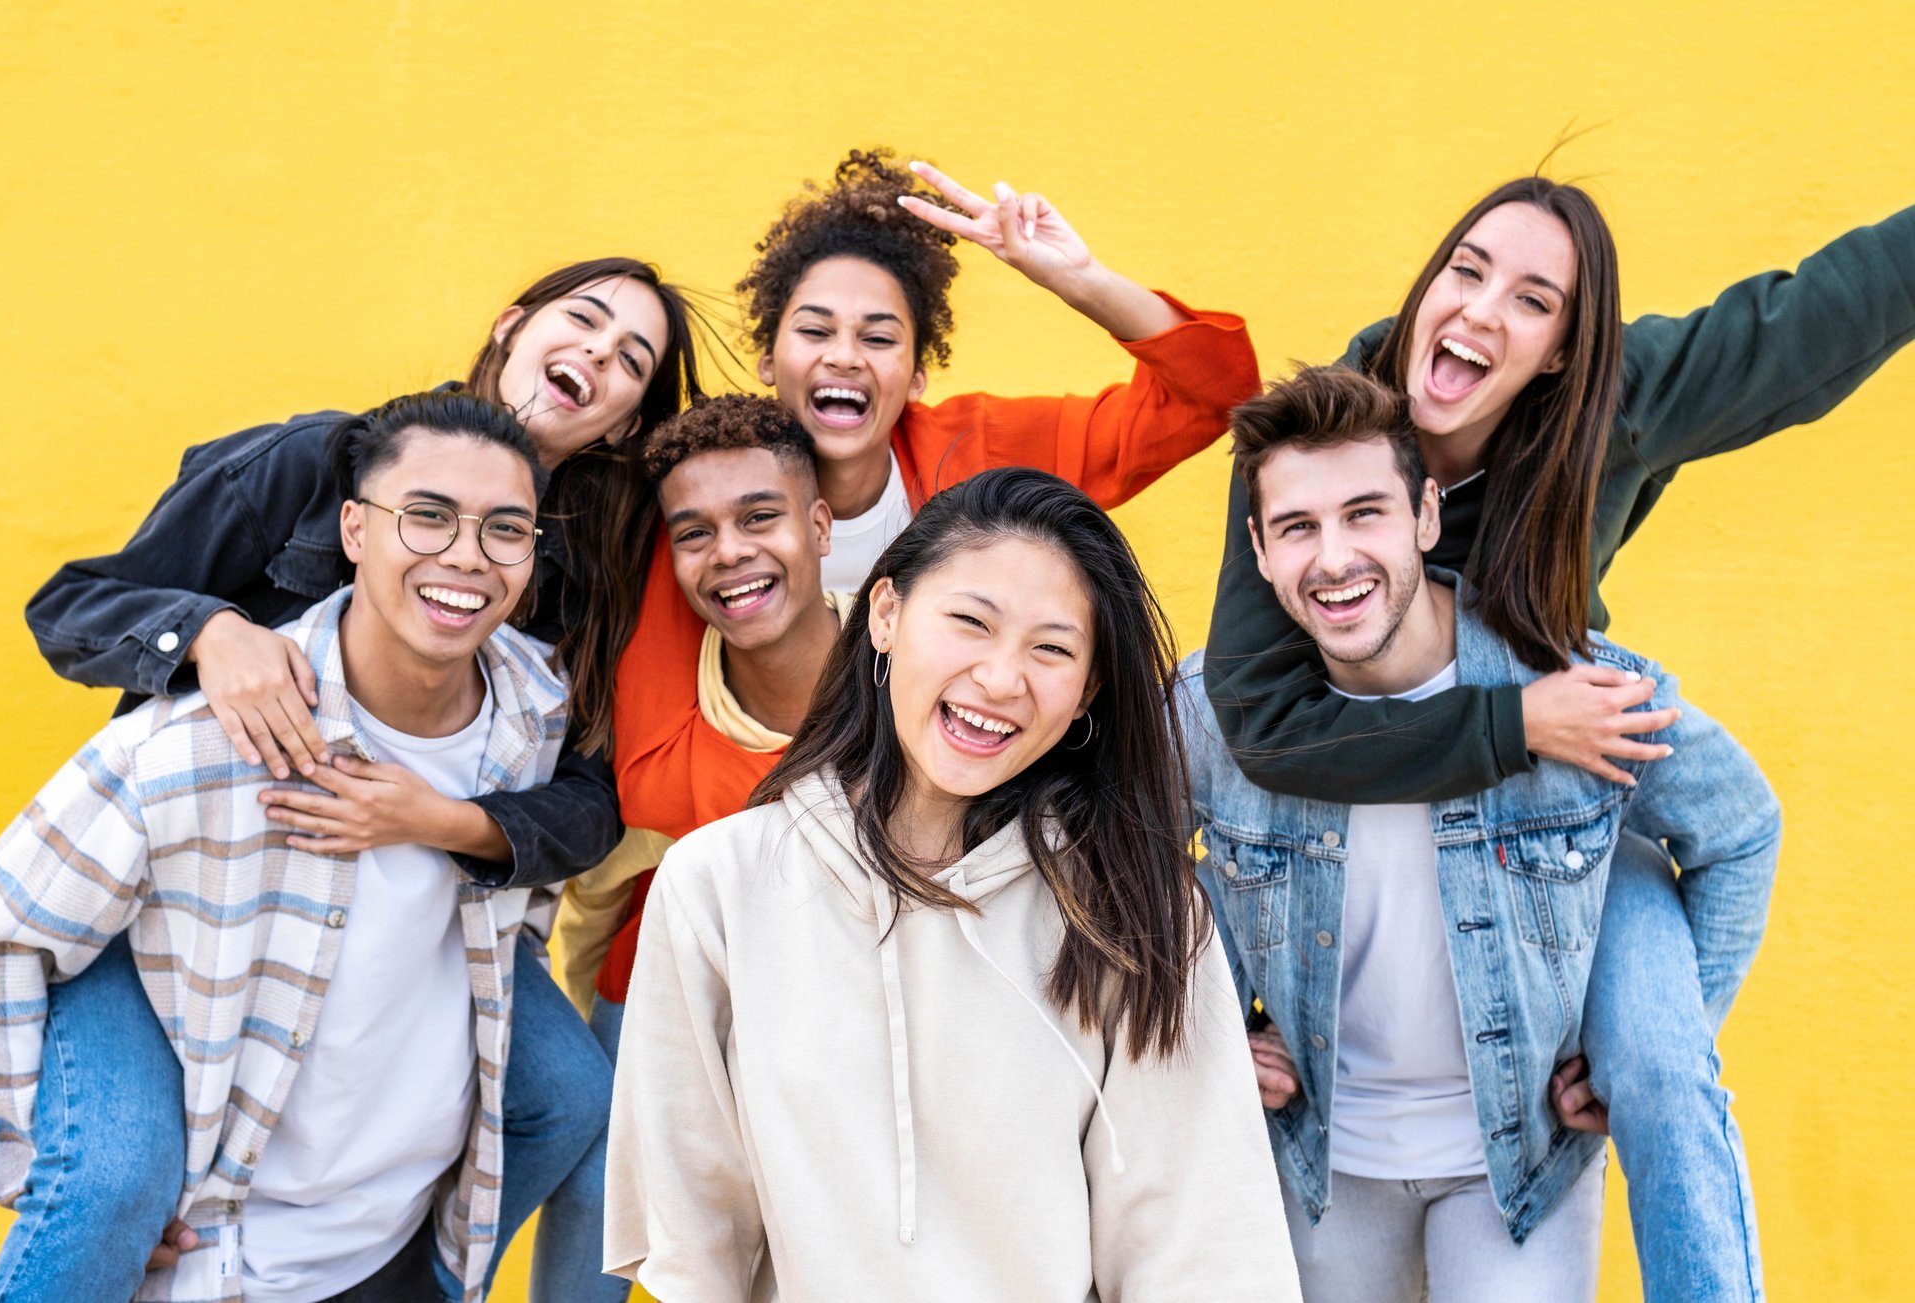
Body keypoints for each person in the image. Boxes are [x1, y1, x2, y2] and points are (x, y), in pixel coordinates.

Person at [1202, 178, 1912, 1299]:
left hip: (1558, 814)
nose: (1483, 310)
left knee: (1661, 1065)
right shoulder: (1330, 441)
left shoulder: (1613, 408)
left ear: (1561, 355)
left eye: (1533, 301)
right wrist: (1200, 1036)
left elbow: (1809, 320)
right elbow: (1256, 725)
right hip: (1409, 802)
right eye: (1466, 270)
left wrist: (1542, 723)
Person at [12, 257, 706, 1295]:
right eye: (583, 322)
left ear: (619, 424)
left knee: (562, 1096)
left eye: (630, 363)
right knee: (116, 1177)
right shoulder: (314, 463)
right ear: (512, 327)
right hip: (191, 896)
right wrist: (211, 631)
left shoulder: (572, 581)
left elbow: (590, 800)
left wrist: (444, 819)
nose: (597, 358)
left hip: (410, 904)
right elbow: (72, 607)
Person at [0, 393, 583, 1302]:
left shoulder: (537, 717)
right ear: (353, 528)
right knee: (109, 1176)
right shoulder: (197, 748)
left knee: (575, 1092)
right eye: (427, 516)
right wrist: (41, 1177)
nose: (466, 554)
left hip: (400, 1250)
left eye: (503, 529)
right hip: (228, 1259)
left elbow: (528, 899)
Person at [604, 467, 1301, 1302]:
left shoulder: (1133, 904)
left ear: (1089, 691)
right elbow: (696, 1242)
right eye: (971, 621)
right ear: (887, 614)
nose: (1002, 678)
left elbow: (1198, 1248)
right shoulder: (717, 884)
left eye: (1051, 648)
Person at [1179, 366, 1779, 1301]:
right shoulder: (1210, 716)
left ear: (1425, 514)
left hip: (1517, 1169)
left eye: (1365, 513)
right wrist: (1195, 1027)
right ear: (1257, 551)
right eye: (1298, 527)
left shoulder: (1574, 692)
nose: (1334, 558)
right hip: (1318, 1158)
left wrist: (1649, 1040)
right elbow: (1112, 877)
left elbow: (1738, 828)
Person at [611, 148, 1261, 837]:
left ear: (917, 374)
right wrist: (871, 796)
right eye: (814, 330)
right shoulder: (711, 518)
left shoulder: (981, 456)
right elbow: (652, 776)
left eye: (879, 336)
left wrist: (1080, 281)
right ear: (769, 359)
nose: (843, 355)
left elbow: (1214, 397)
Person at [549, 395, 846, 1301]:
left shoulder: (903, 672)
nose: (729, 551)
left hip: (839, 1017)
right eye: (695, 533)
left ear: (822, 524)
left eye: (760, 516)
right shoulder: (669, 724)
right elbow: (660, 795)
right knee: (592, 1255)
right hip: (654, 996)